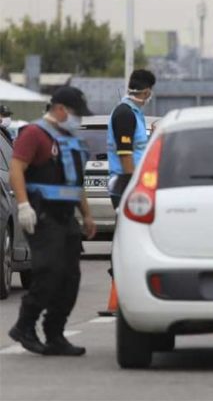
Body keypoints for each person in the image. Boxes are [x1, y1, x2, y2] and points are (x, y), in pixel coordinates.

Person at [7, 87, 96, 355]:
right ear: (59, 109)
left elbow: (75, 182)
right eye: (74, 113)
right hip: (42, 214)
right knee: (48, 272)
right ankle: (24, 325)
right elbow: (16, 169)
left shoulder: (68, 138)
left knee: (70, 278)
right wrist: (23, 205)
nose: (77, 119)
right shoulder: (34, 134)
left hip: (67, 217)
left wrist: (87, 214)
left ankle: (55, 333)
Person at [107, 69, 156, 210]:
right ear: (146, 92)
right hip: (125, 186)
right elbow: (125, 154)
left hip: (132, 183)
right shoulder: (125, 114)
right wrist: (134, 188)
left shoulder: (134, 113)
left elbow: (137, 148)